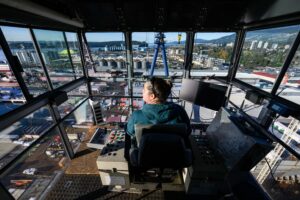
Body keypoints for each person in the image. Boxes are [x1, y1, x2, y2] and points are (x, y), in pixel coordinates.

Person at [126, 77, 191, 137]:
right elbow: (188, 131)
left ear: (152, 96)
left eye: (144, 89)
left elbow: (129, 132)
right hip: (174, 149)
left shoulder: (136, 116)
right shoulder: (180, 111)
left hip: (147, 149)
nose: (142, 91)